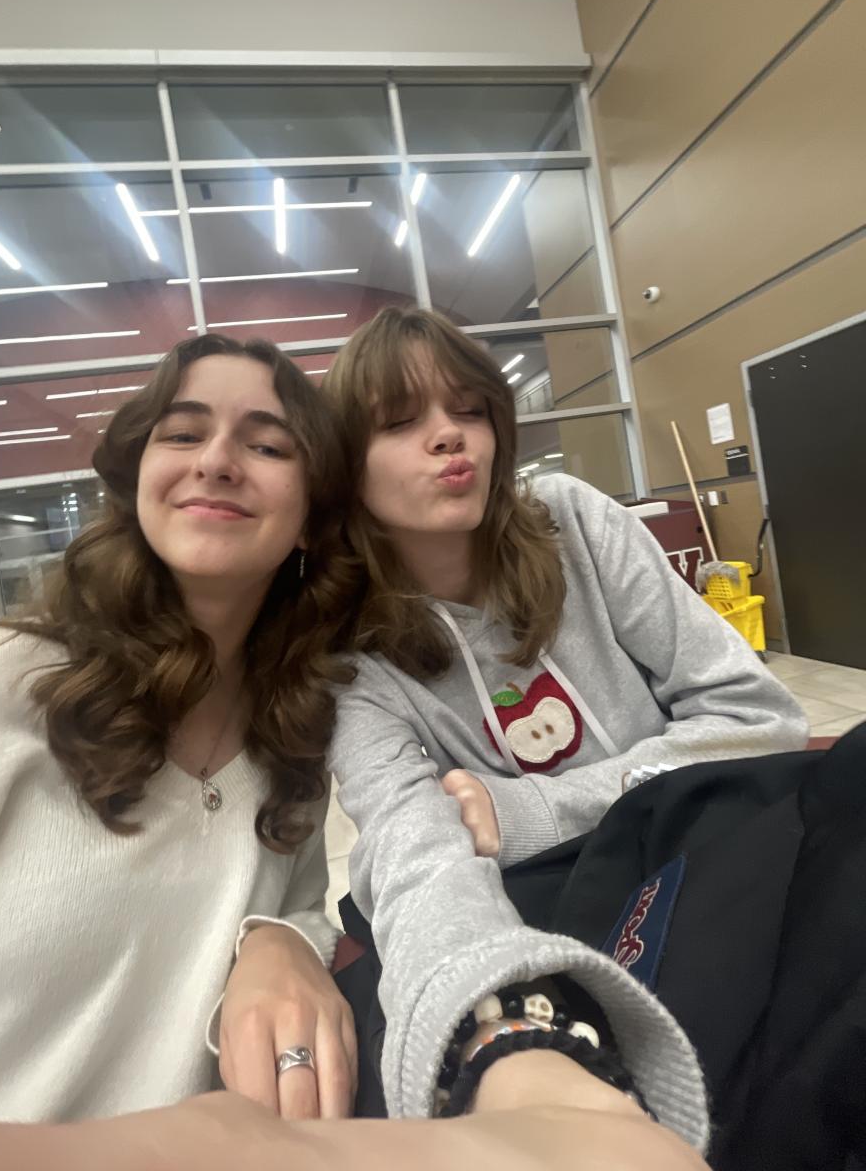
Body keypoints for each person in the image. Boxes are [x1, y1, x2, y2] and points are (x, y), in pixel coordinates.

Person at [0, 331, 707, 1171]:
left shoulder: (288, 732)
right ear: (137, 477)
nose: (217, 460)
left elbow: (314, 897)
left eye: (265, 445)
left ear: (311, 516)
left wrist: (280, 940)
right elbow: (417, 848)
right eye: (183, 433)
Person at [322, 306, 807, 1145]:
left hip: (706, 844)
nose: (450, 436)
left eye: (469, 410)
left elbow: (760, 718)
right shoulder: (350, 655)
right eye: (400, 423)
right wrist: (493, 1038)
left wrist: (531, 811)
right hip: (553, 906)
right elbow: (410, 842)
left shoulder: (572, 521)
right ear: (345, 468)